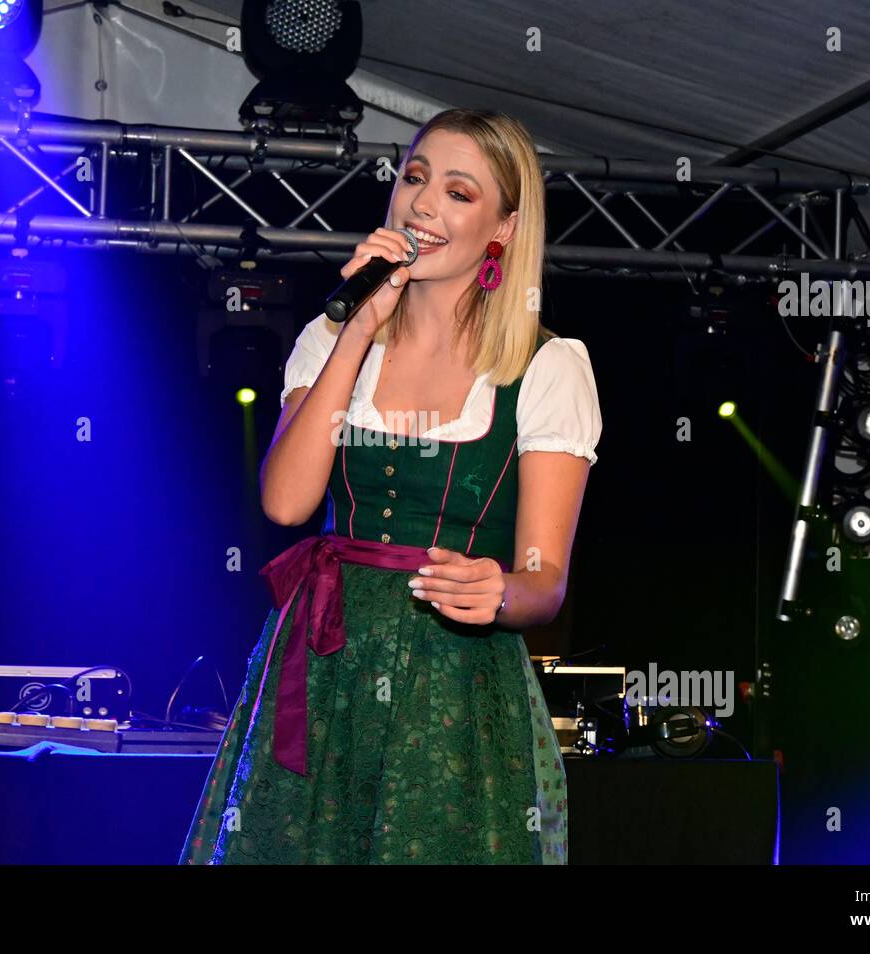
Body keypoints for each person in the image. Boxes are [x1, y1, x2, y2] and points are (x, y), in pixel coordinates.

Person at [179, 107, 602, 864]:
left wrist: (500, 590)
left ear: (505, 228)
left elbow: (545, 584)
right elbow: (286, 503)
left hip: (454, 684)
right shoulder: (333, 337)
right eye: (414, 178)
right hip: (322, 660)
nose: (423, 204)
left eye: (459, 192)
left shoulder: (546, 366)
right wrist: (359, 329)